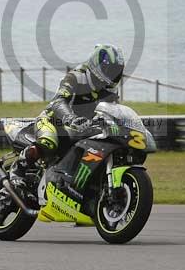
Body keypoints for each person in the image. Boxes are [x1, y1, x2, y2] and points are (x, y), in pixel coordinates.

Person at [9, 44, 125, 188]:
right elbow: (58, 101)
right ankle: (18, 169)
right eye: (110, 70)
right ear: (98, 64)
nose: (112, 74)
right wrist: (71, 118)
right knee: (48, 142)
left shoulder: (110, 90)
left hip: (83, 130)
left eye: (116, 71)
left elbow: (114, 111)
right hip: (53, 120)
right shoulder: (77, 76)